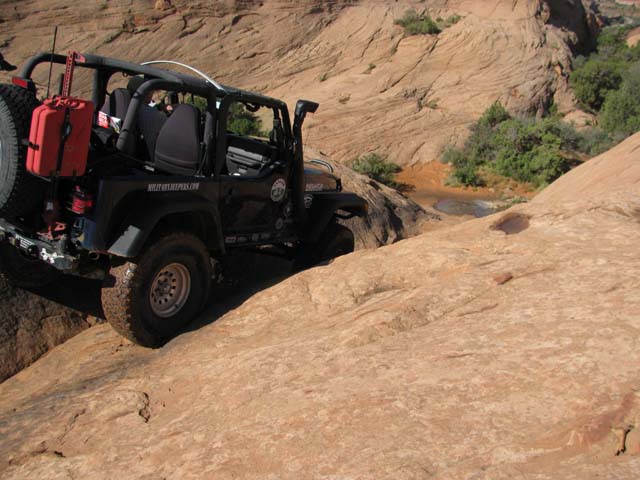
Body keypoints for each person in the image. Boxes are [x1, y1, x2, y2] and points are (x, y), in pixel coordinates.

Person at [126, 76, 168, 160]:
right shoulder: (153, 115)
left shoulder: (127, 106)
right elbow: (170, 126)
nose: (152, 93)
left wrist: (160, 106)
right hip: (151, 160)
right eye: (151, 91)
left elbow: (149, 105)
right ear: (145, 92)